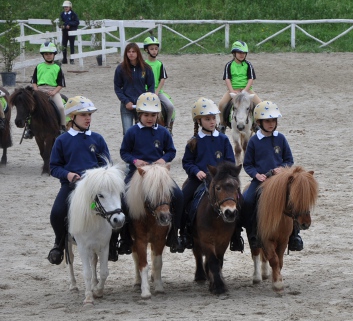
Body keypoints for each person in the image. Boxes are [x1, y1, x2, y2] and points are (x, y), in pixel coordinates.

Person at [47, 96, 112, 264]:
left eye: (89, 114)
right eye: (83, 115)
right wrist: (68, 174)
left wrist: (97, 175)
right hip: (72, 186)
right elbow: (54, 167)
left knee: (119, 208)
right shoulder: (62, 140)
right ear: (72, 117)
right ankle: (59, 243)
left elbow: (106, 164)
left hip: (96, 187)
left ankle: (114, 243)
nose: (88, 118)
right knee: (57, 213)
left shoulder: (97, 139)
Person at [118, 92, 185, 254]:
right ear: (139, 114)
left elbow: (171, 151)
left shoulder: (163, 132)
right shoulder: (132, 132)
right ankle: (125, 238)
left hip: (159, 173)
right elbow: (124, 152)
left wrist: (163, 159)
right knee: (122, 200)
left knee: (178, 196)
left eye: (153, 115)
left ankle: (174, 234)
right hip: (138, 173)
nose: (150, 118)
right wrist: (135, 161)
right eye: (146, 115)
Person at [181, 97, 238, 250]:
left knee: (241, 200)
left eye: (214, 118)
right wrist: (196, 171)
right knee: (181, 199)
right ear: (199, 121)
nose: (212, 122)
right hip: (199, 180)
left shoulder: (224, 139)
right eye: (207, 119)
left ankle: (236, 235)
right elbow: (187, 162)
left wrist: (222, 175)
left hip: (221, 182)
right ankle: (182, 233)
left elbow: (230, 161)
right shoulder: (193, 141)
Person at [242, 101, 298, 250]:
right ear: (259, 122)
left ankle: (295, 235)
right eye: (267, 121)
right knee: (247, 201)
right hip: (261, 180)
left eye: (273, 120)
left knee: (295, 200)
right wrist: (256, 175)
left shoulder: (281, 138)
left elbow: (289, 160)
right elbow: (247, 164)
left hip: (280, 180)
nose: (271, 124)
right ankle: (252, 233)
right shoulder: (254, 141)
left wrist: (283, 168)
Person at [217, 40, 261, 131]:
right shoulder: (229, 65)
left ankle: (257, 124)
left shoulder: (248, 65)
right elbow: (227, 78)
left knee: (260, 105)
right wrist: (231, 91)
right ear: (234, 53)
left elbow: (251, 79)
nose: (242, 55)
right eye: (239, 52)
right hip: (234, 89)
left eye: (244, 53)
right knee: (221, 105)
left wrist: (245, 90)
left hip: (247, 89)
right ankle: (222, 124)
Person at [26, 41, 66, 139]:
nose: (48, 56)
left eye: (50, 54)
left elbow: (61, 84)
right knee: (29, 106)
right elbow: (34, 81)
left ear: (54, 55)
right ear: (43, 55)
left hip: (53, 90)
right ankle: (29, 128)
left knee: (61, 107)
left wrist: (53, 92)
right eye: (46, 54)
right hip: (39, 90)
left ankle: (62, 127)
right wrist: (36, 91)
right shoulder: (39, 66)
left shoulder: (57, 68)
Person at [114, 43, 155, 136]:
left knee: (142, 132)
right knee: (127, 132)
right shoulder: (120, 69)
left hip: (142, 105)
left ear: (138, 53)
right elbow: (117, 88)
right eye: (129, 52)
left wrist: (146, 100)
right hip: (126, 105)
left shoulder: (146, 68)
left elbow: (151, 86)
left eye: (133, 51)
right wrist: (126, 101)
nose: (131, 54)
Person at [142, 36, 175, 132]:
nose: (154, 51)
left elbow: (162, 79)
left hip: (158, 92)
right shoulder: (143, 64)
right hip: (145, 91)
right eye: (152, 49)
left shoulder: (160, 64)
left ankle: (167, 126)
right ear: (146, 50)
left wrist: (156, 92)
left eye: (156, 49)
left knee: (170, 106)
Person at [59, 0, 79, 65]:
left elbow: (77, 22)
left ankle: (72, 59)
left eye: (67, 7)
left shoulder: (73, 14)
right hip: (64, 32)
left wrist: (70, 24)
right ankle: (64, 58)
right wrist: (61, 25)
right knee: (64, 45)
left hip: (72, 31)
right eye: (65, 7)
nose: (66, 8)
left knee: (71, 45)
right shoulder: (62, 14)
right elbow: (60, 22)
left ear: (70, 7)